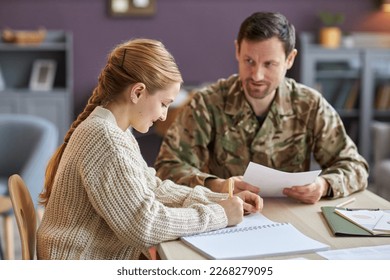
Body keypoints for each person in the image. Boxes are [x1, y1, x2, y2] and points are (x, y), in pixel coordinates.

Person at [36, 38, 262, 260]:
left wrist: (219, 198)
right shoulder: (106, 139)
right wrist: (220, 214)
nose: (164, 115)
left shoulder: (115, 130)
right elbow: (145, 224)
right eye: (164, 103)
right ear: (137, 92)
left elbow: (153, 189)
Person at [155, 12, 369, 204]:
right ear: (237, 50)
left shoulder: (310, 105)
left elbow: (355, 166)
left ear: (290, 59)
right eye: (249, 61)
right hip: (224, 216)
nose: (256, 75)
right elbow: (167, 169)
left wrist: (324, 186)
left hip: (290, 219)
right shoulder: (206, 103)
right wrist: (218, 185)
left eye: (269, 64)